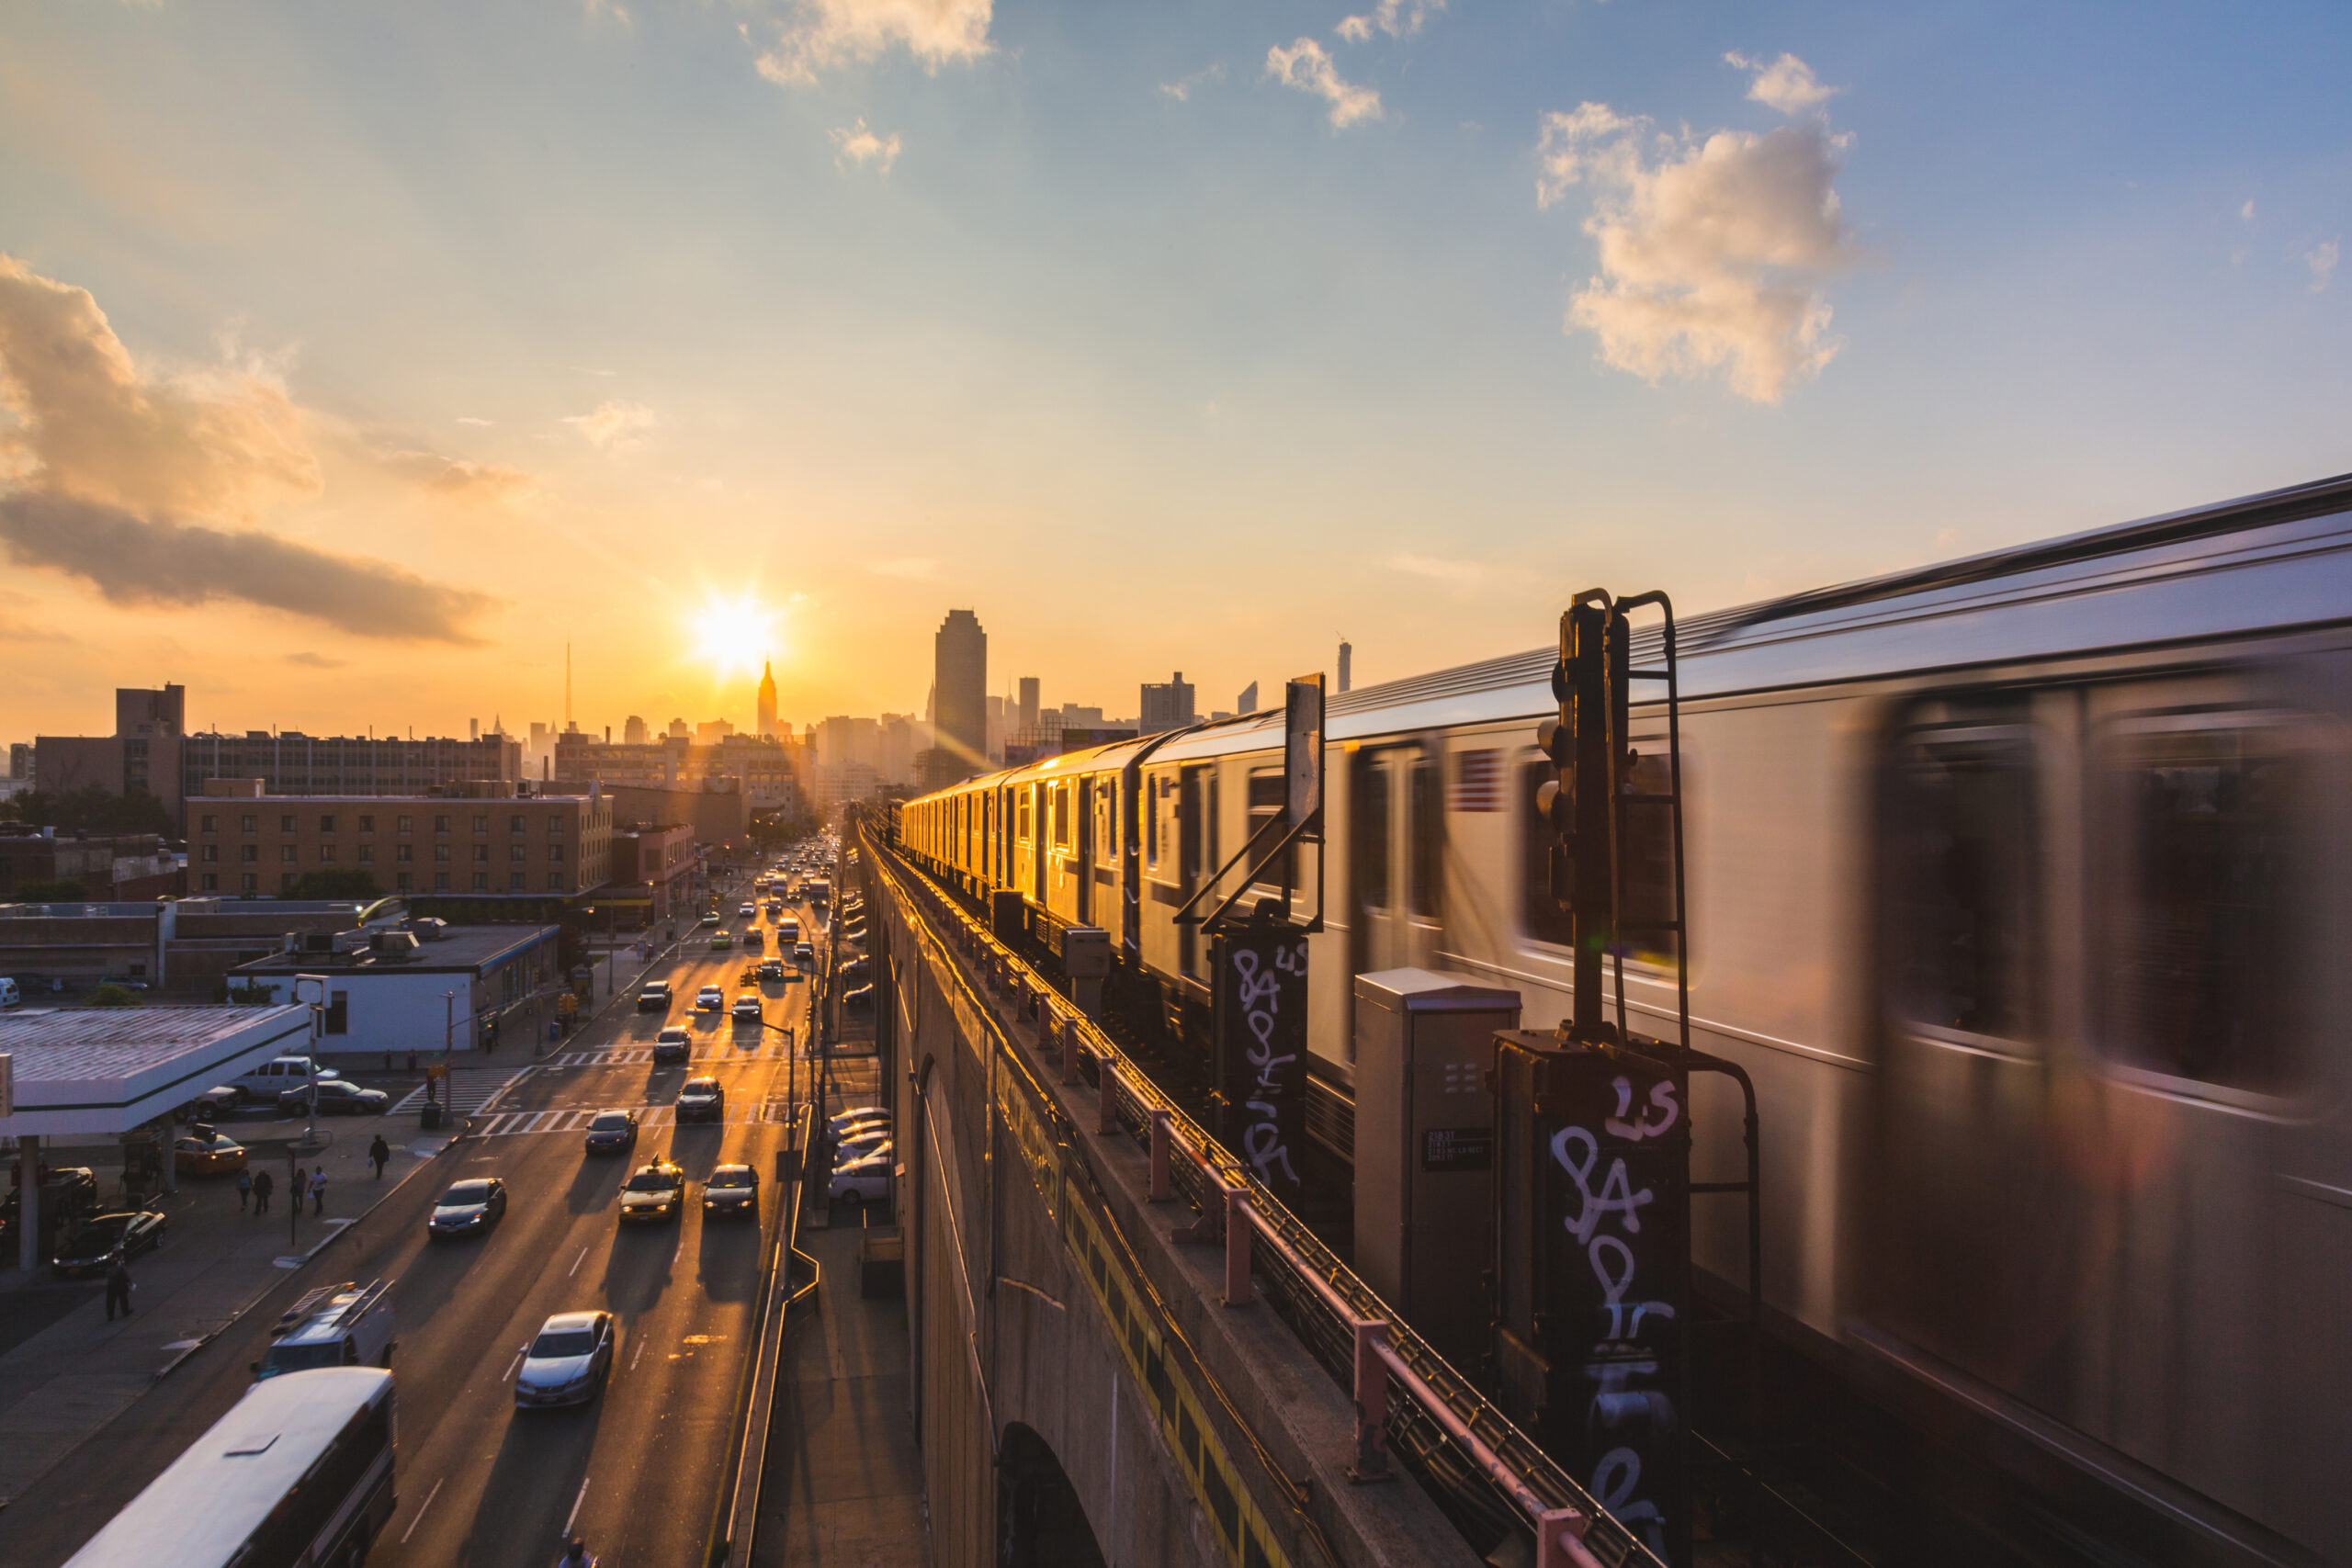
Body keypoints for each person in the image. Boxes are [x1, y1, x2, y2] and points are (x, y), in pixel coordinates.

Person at [105, 1250, 132, 1321]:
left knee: (111, 1301)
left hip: (111, 1286)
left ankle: (110, 1316)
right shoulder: (119, 1267)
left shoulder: (108, 1267)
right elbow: (126, 1276)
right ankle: (125, 1311)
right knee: (123, 1299)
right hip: (121, 1285)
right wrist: (130, 1282)